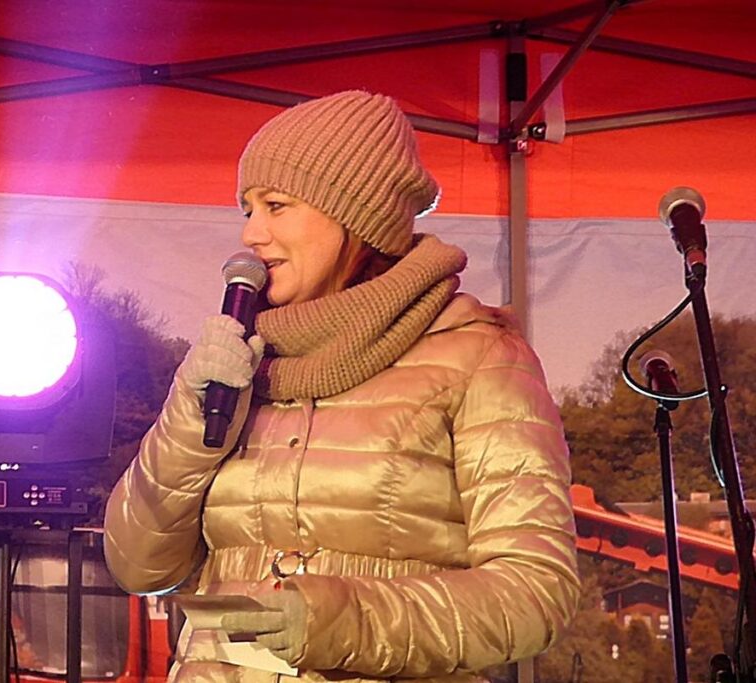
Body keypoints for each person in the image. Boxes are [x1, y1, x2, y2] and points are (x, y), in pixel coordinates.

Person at [104, 90, 579, 682]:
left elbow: (535, 591)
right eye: (247, 209)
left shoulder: (479, 356)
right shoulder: (238, 363)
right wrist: (189, 419)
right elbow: (138, 567)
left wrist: (344, 621)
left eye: (276, 206)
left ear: (355, 217)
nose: (252, 234)